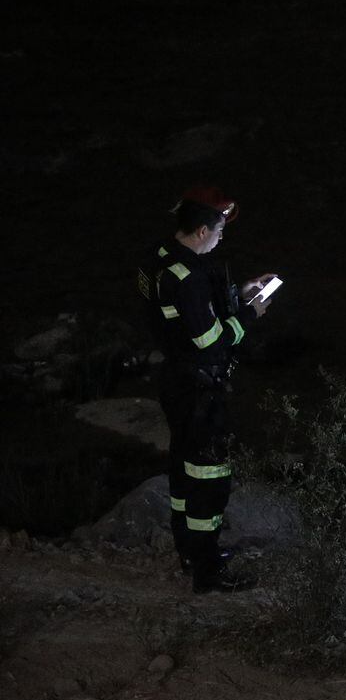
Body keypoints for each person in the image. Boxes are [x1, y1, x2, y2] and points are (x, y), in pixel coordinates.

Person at [135, 185, 276, 593]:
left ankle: (188, 550)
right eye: (217, 232)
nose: (220, 239)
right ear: (200, 231)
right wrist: (250, 313)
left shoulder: (158, 258)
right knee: (209, 476)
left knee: (182, 467)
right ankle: (207, 569)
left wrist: (237, 293)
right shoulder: (189, 276)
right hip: (200, 389)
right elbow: (211, 340)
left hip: (175, 380)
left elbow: (183, 316)